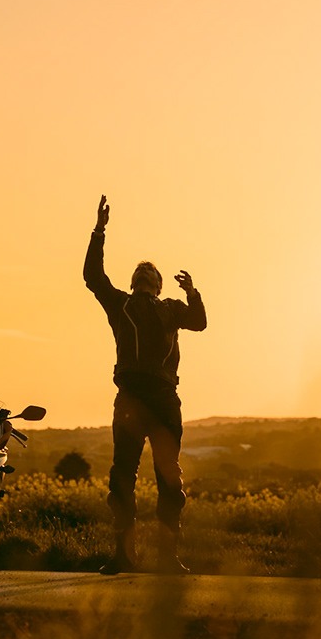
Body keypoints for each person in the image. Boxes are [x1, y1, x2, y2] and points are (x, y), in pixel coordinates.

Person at [84, 194, 207, 574]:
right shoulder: (120, 304)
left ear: (156, 285)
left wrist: (191, 292)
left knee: (167, 477)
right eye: (140, 273)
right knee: (123, 476)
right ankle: (124, 556)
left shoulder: (171, 308)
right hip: (133, 400)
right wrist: (99, 230)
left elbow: (200, 322)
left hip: (161, 398)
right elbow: (93, 276)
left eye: (150, 274)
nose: (144, 275)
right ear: (136, 283)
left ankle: (167, 558)